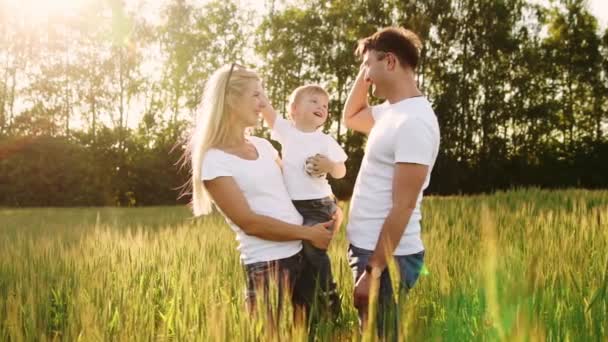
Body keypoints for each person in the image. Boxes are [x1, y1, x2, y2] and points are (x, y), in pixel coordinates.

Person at [186, 63, 335, 323]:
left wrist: (333, 210)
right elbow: (249, 222)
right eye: (256, 95)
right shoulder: (214, 160)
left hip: (305, 257)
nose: (263, 102)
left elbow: (298, 189)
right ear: (231, 100)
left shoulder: (264, 146)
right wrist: (308, 232)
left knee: (325, 330)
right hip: (268, 269)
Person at [342, 27, 441, 339]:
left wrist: (373, 270)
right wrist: (365, 64)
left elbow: (404, 205)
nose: (366, 75)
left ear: (390, 62)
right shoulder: (392, 112)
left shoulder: (414, 122)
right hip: (371, 250)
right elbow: (352, 116)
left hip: (387, 261)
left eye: (369, 65)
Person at [260, 84, 347, 318]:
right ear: (295, 110)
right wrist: (258, 94)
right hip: (292, 205)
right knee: (297, 259)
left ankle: (329, 292)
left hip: (319, 204)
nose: (321, 107)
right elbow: (268, 113)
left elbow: (341, 170)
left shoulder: (325, 141)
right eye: (314, 102)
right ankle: (306, 309)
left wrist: (329, 165)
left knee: (313, 251)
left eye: (326, 106)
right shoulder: (288, 131)